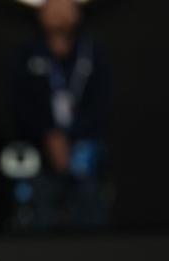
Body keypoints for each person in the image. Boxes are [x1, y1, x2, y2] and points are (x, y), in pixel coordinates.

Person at [12, 0, 112, 229]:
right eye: (52, 5)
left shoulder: (93, 53)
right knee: (39, 216)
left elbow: (101, 104)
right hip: (40, 155)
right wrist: (49, 135)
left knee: (90, 214)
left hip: (85, 155)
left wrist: (72, 137)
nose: (58, 12)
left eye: (65, 5)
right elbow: (20, 104)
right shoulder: (26, 54)